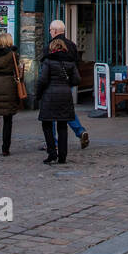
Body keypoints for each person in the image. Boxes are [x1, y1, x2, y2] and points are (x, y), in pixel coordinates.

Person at [41, 20, 90, 149]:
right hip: (66, 84)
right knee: (66, 110)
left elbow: (44, 70)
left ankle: (53, 142)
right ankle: (80, 131)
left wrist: (40, 89)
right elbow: (76, 65)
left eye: (51, 30)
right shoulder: (72, 45)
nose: (50, 32)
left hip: (52, 85)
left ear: (55, 31)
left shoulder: (50, 46)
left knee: (50, 113)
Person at [37, 38, 81, 163]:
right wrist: (66, 84)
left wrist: (38, 94)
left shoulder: (48, 61)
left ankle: (52, 152)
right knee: (62, 126)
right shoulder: (70, 62)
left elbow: (42, 80)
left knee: (47, 125)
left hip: (49, 95)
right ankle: (62, 156)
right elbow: (77, 79)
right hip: (65, 95)